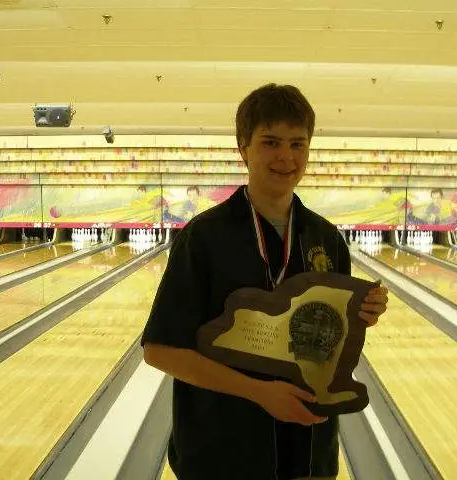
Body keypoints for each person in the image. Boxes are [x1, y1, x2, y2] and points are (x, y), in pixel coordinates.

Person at [141, 83, 389, 480]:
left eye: (297, 144)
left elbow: (329, 340)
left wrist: (362, 314)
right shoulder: (203, 238)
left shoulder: (326, 237)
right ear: (244, 147)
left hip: (309, 453)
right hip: (220, 454)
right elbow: (160, 350)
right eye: (271, 142)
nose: (286, 157)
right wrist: (259, 392)